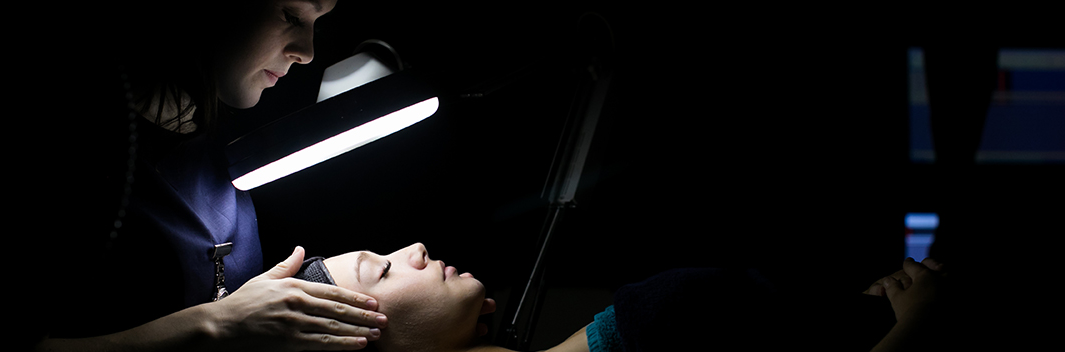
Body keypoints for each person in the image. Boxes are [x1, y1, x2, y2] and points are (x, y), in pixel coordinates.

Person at [31, 0, 390, 352]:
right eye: (291, 15)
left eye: (317, 23)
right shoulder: (68, 145)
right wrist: (214, 326)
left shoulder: (219, 147)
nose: (306, 52)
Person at [293, 242, 951, 352]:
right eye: (380, 272)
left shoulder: (659, 314)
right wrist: (919, 326)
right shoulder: (661, 318)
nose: (412, 250)